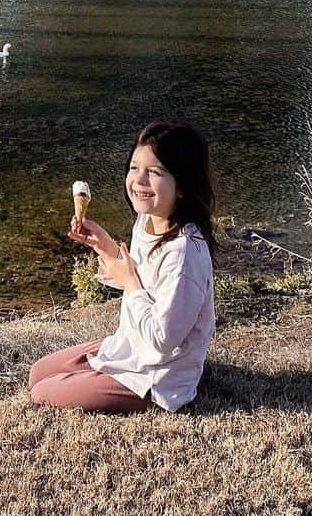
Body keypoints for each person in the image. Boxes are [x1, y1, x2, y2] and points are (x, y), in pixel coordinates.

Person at [28, 121, 216, 414]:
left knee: (43, 392)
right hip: (131, 345)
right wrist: (104, 246)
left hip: (156, 375)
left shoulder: (184, 254)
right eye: (134, 168)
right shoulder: (147, 220)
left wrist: (129, 283)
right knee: (38, 372)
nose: (139, 180)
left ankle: (156, 388)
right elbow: (139, 277)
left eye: (154, 172)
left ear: (182, 186)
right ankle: (105, 370)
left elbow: (163, 339)